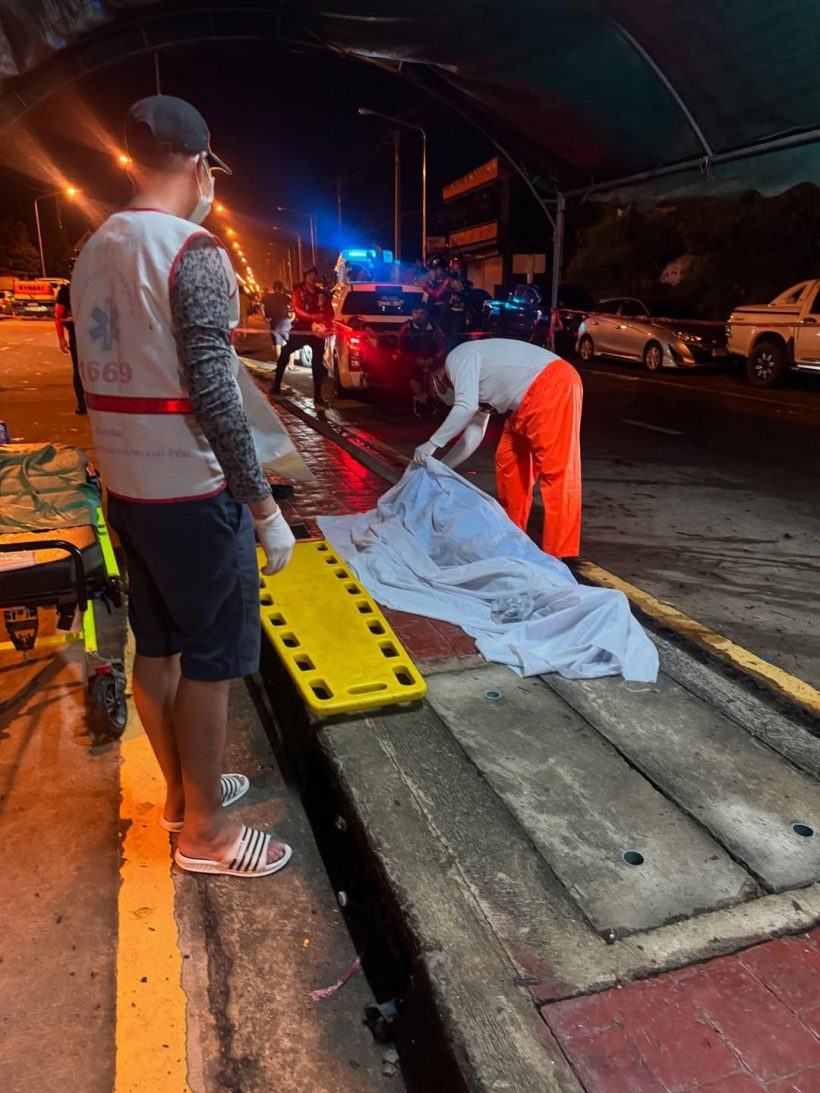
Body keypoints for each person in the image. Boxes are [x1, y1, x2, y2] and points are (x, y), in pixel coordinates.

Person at [72, 94, 295, 879]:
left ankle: (179, 795)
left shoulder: (92, 249)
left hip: (127, 492)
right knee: (210, 660)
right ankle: (206, 832)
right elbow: (214, 393)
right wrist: (264, 506)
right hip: (195, 498)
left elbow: (88, 383)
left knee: (157, 645)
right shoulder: (191, 252)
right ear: (202, 165)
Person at [412, 338, 583, 559]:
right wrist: (439, 467)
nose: (444, 399)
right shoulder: (473, 381)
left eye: (438, 395)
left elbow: (465, 407)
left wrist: (431, 444)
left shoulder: (458, 358)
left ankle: (560, 554)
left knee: (556, 471)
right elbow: (474, 433)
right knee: (509, 460)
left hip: (553, 383)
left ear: (438, 380)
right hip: (527, 401)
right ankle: (513, 535)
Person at [272, 266, 332, 406]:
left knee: (317, 363)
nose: (312, 277)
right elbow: (297, 309)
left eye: (314, 275)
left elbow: (329, 310)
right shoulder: (298, 291)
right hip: (302, 329)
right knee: (286, 352)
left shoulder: (321, 293)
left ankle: (318, 397)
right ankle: (276, 384)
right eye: (309, 275)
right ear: (305, 277)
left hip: (317, 332)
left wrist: (324, 319)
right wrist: (312, 317)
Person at [397, 304, 444, 414]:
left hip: (431, 361)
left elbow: (441, 348)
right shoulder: (407, 328)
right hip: (413, 361)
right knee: (412, 373)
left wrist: (432, 359)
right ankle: (420, 399)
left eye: (421, 313)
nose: (418, 316)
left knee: (437, 375)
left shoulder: (435, 329)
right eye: (416, 313)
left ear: (427, 314)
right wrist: (413, 360)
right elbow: (400, 349)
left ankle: (432, 399)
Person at [54, 257, 86, 414]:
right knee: (79, 371)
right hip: (77, 336)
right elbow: (59, 315)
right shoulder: (66, 291)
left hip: (95, 336)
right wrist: (61, 338)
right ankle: (82, 403)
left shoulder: (94, 287)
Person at [262, 280, 292, 352]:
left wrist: (264, 317)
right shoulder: (285, 297)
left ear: (273, 288)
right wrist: (291, 316)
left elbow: (261, 305)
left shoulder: (267, 297)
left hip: (273, 322)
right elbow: (292, 307)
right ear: (282, 288)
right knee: (287, 341)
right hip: (284, 321)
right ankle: (289, 362)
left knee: (277, 343)